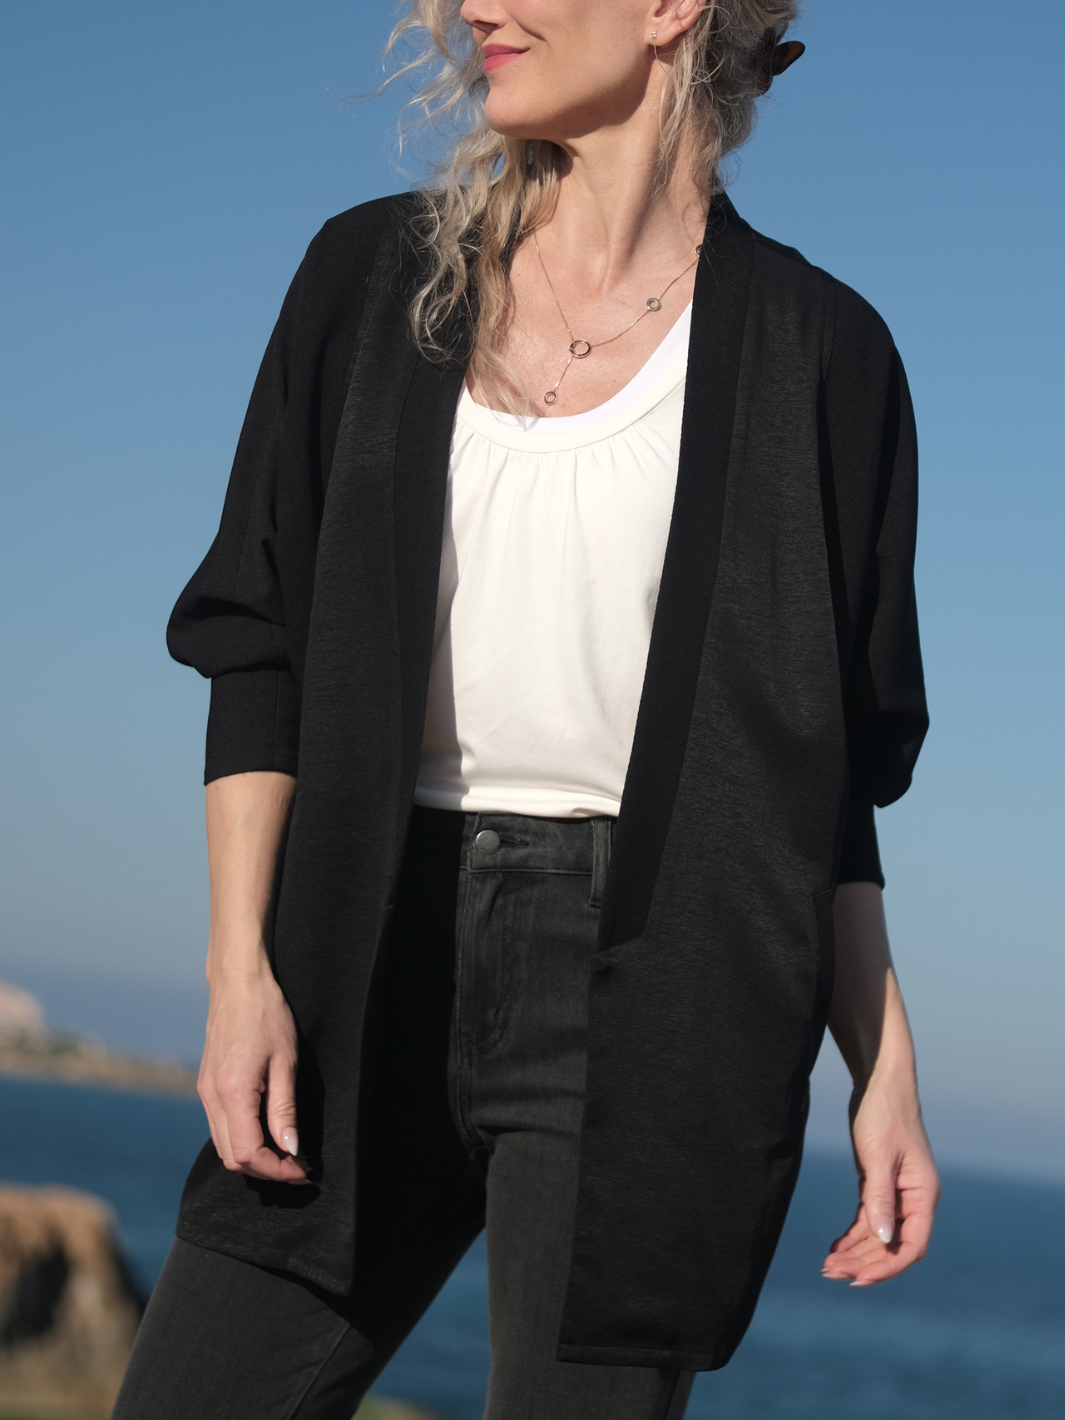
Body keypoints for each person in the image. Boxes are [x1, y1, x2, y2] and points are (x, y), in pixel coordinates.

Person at [114, 2, 940, 1417]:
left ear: (672, 10)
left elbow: (819, 780)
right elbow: (257, 643)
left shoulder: (827, 356)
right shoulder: (373, 275)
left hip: (660, 1006)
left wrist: (885, 1065)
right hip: (356, 957)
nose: (473, 7)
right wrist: (239, 970)